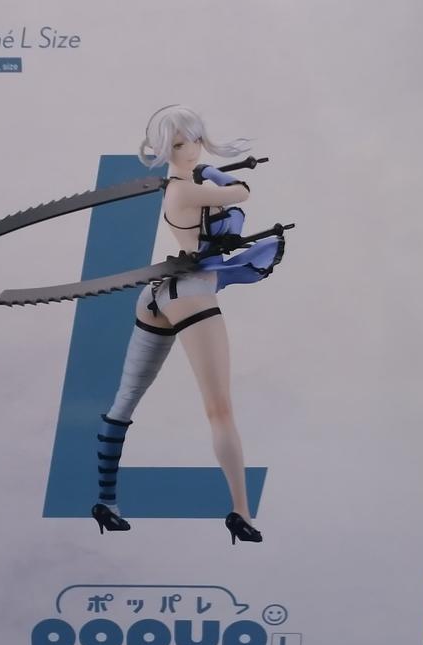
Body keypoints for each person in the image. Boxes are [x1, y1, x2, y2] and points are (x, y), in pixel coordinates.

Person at [92, 105, 286, 544]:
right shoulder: (184, 191)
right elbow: (242, 193)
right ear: (163, 150)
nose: (190, 150)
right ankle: (241, 512)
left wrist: (209, 175)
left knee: (125, 401)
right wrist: (215, 174)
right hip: (190, 294)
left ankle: (106, 503)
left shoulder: (182, 188)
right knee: (220, 410)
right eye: (179, 144)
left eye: (194, 140)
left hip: (163, 293)